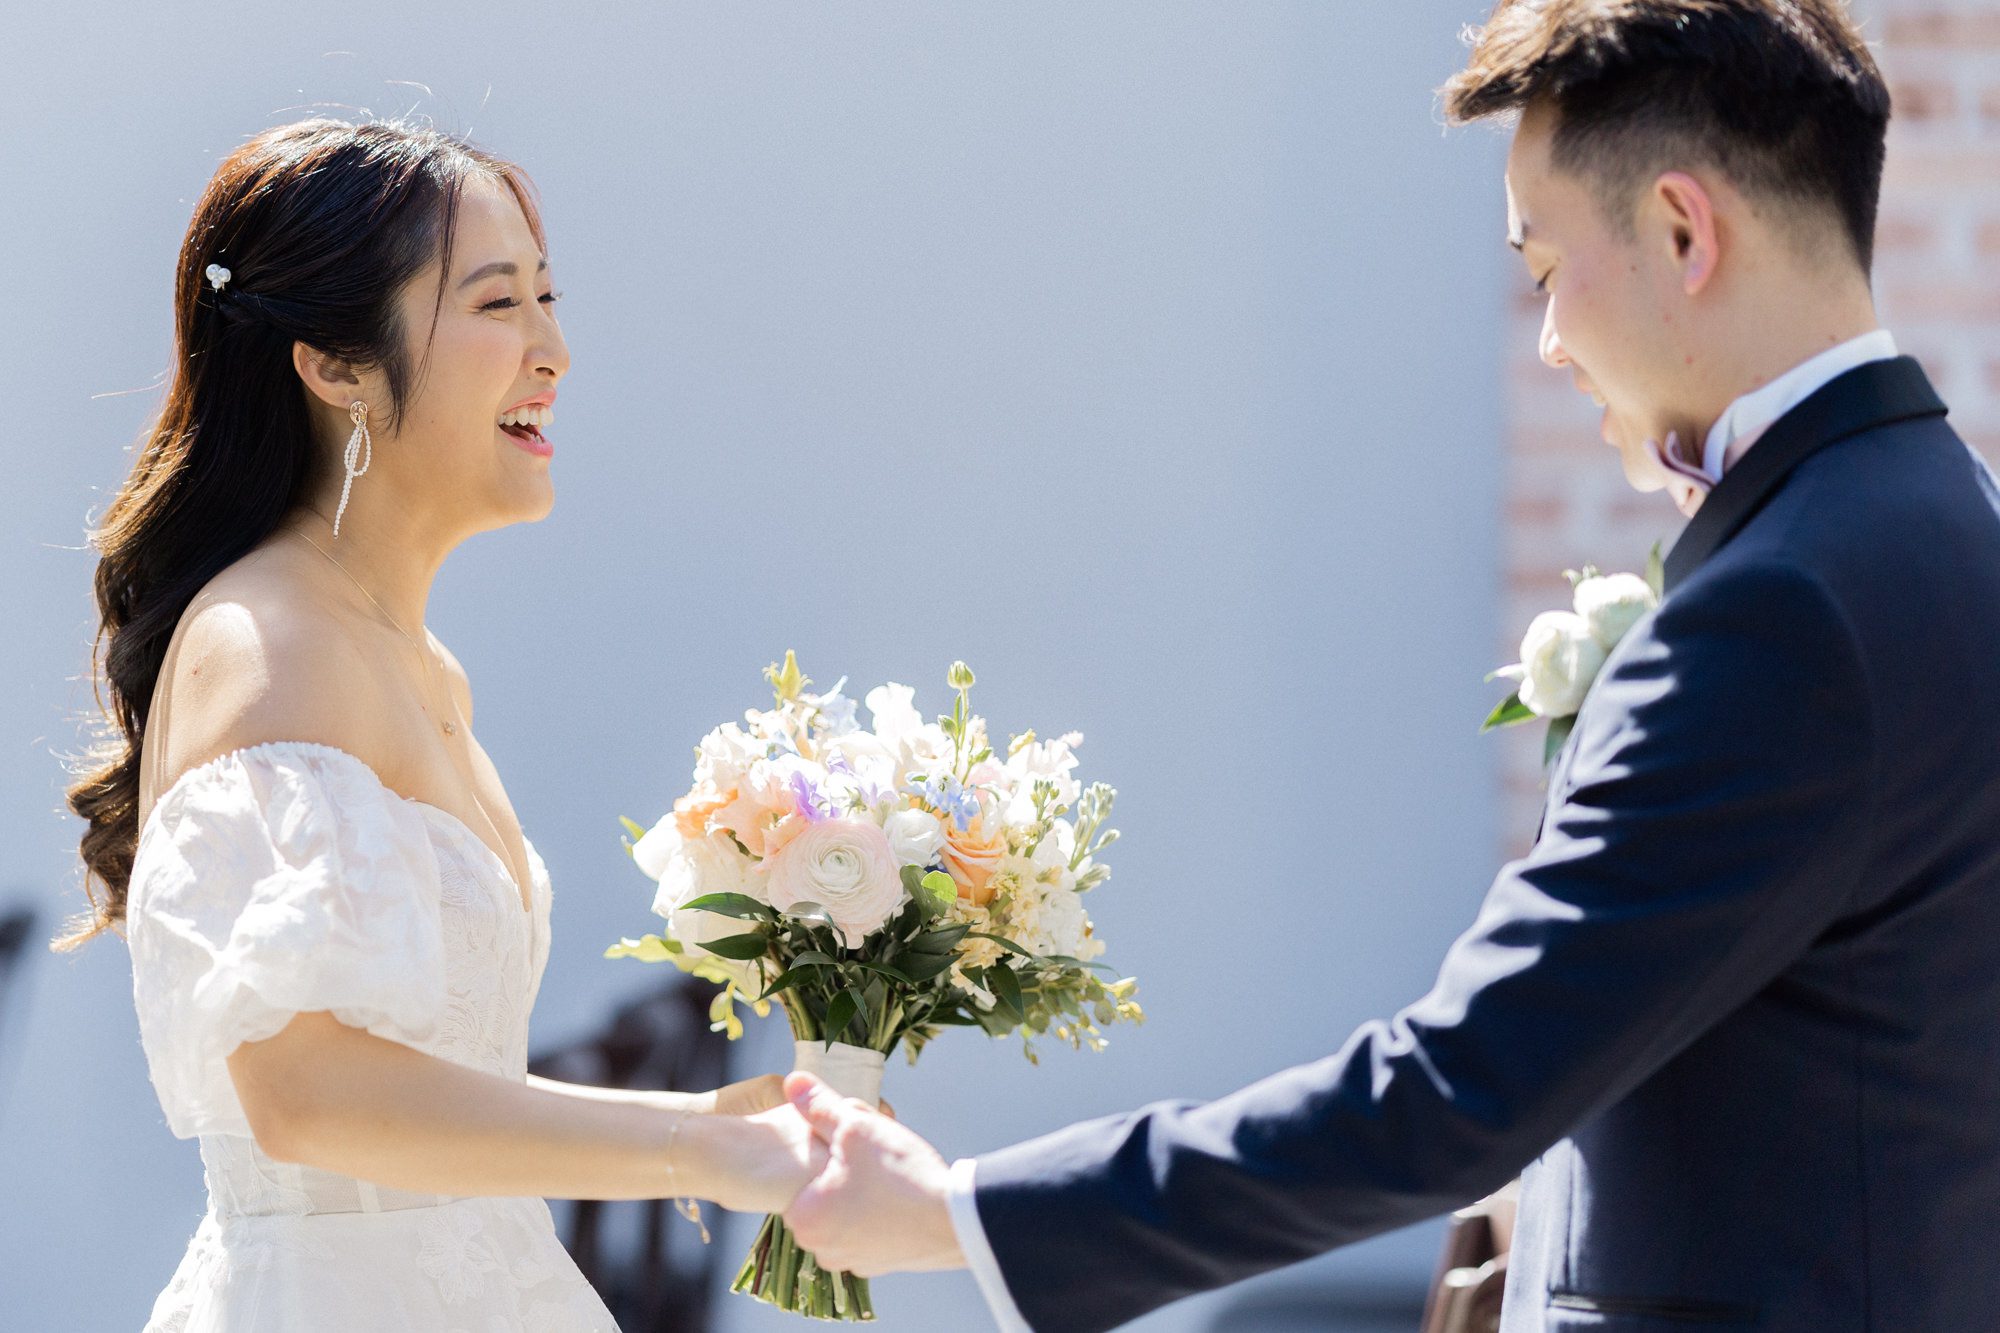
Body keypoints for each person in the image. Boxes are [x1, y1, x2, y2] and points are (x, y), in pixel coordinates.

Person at [776, 2, 2000, 1329]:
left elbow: (1454, 1091)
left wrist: (960, 1213)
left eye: (1543, 270)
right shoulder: (1943, 519)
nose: (1548, 340)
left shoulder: (1783, 613)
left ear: (1684, 231)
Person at [61, 119, 821, 1330]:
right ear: (336, 366)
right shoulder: (271, 643)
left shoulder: (419, 666)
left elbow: (431, 1089)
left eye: (547, 295)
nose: (553, 349)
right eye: (496, 303)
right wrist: (695, 1145)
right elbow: (303, 1091)